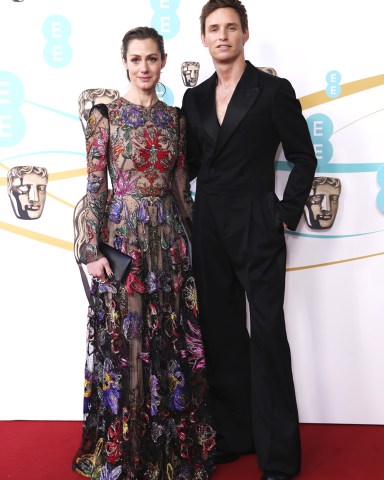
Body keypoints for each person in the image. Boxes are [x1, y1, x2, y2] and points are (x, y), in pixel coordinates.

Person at [181, 1, 317, 479]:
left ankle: (278, 456)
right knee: (220, 335)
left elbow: (303, 157)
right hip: (209, 223)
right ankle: (233, 436)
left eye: (230, 28)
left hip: (256, 221)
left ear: (245, 34)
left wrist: (281, 214)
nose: (222, 36)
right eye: (214, 29)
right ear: (203, 38)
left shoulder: (273, 90)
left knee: (267, 336)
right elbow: (191, 165)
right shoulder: (194, 99)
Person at [72, 26, 215, 480]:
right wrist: (91, 249)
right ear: (125, 63)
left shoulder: (175, 120)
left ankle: (167, 449)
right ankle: (126, 449)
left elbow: (181, 191)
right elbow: (96, 189)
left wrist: (201, 244)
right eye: (136, 60)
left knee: (167, 337)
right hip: (123, 241)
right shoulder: (106, 117)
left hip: (168, 240)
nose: (144, 67)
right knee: (126, 339)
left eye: (152, 59)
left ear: (164, 61)